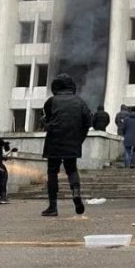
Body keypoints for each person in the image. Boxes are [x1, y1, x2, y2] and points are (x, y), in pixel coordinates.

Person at [41, 74, 93, 217]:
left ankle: (53, 206)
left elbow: (48, 122)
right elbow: (88, 121)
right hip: (72, 140)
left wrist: (45, 123)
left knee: (52, 172)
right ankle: (76, 192)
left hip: (54, 141)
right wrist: (79, 139)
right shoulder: (80, 102)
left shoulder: (51, 101)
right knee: (71, 169)